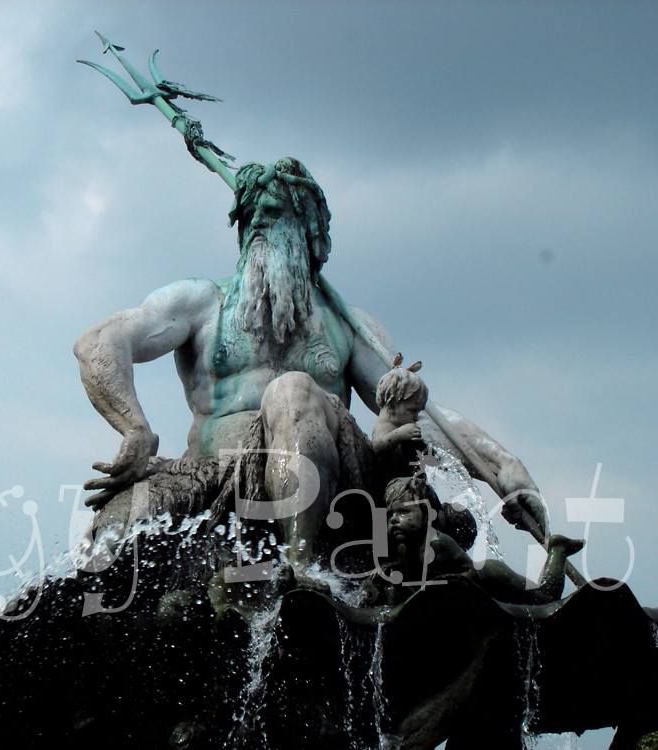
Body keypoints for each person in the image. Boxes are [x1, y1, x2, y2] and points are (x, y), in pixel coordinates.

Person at [74, 157, 546, 568]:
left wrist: (507, 473)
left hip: (336, 477)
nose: (257, 225)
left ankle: (302, 573)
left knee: (292, 390)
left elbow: (416, 419)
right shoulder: (201, 303)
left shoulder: (349, 327)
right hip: (214, 472)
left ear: (309, 232)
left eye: (272, 214)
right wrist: (134, 428)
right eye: (249, 217)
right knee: (119, 526)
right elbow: (99, 340)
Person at [364, 476, 583, 606]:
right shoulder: (402, 547)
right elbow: (403, 570)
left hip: (492, 577)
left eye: (403, 512)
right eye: (391, 515)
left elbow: (470, 573)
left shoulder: (438, 543)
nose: (394, 521)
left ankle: (558, 550)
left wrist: (448, 584)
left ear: (429, 515)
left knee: (544, 598)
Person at [371, 355, 428, 480]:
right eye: (413, 411)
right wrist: (399, 434)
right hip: (388, 484)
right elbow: (378, 446)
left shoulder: (399, 426)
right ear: (393, 402)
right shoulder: (383, 425)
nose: (416, 418)